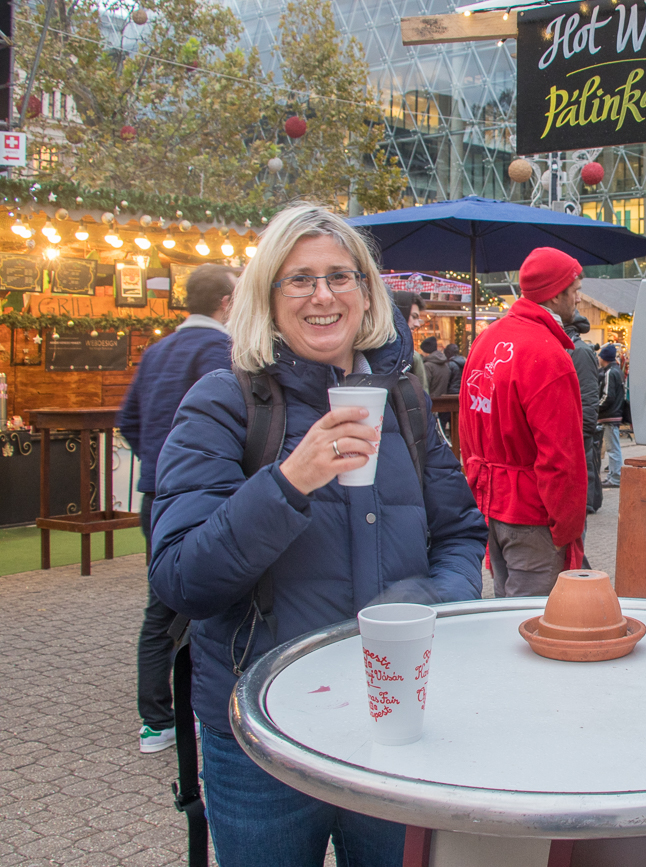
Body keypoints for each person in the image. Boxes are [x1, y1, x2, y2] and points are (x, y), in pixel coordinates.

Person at [149, 203, 487, 867]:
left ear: (367, 293)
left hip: (394, 719)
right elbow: (183, 577)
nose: (323, 295)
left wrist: (429, 603)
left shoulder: (407, 401)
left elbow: (459, 531)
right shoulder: (223, 403)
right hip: (265, 733)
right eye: (299, 279)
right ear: (267, 297)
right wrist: (288, 481)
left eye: (341, 276)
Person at [117, 263, 239, 754]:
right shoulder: (221, 352)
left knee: (161, 602)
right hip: (207, 494)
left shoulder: (157, 349)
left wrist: (157, 464)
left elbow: (127, 419)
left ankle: (156, 717)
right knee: (200, 601)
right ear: (228, 303)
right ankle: (200, 710)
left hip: (156, 495)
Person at [459, 246, 586, 597]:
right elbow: (563, 456)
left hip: (491, 503)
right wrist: (569, 526)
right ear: (556, 293)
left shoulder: (485, 339)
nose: (578, 297)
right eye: (574, 290)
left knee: (506, 609)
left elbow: (467, 427)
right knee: (533, 620)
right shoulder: (547, 354)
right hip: (533, 512)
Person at [565, 314, 602, 514]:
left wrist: (584, 431)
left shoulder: (579, 351)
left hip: (577, 430)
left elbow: (587, 395)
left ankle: (585, 503)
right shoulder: (569, 348)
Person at [597, 344, 625, 488]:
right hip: (615, 414)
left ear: (604, 358)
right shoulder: (617, 371)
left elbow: (608, 396)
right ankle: (614, 476)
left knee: (612, 448)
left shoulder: (609, 373)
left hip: (609, 415)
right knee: (614, 447)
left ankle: (615, 478)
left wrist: (596, 408)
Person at [391, 290, 428, 392]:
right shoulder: (412, 356)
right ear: (401, 314)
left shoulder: (413, 356)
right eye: (414, 317)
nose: (417, 324)